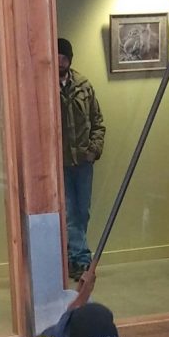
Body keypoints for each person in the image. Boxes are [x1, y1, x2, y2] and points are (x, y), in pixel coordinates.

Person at [58, 38, 105, 281]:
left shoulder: (84, 86)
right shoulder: (44, 88)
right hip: (61, 163)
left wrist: (94, 149)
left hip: (83, 162)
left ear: (70, 59)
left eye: (64, 58)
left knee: (82, 211)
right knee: (69, 213)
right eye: (57, 58)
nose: (60, 62)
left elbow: (98, 121)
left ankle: (73, 256)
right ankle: (82, 259)